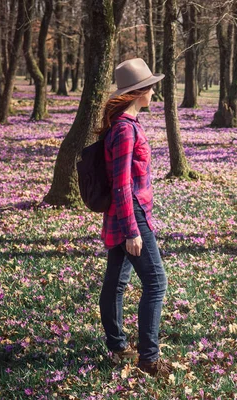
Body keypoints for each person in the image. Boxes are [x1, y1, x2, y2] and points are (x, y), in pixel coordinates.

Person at [97, 58, 172, 378]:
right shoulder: (125, 130)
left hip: (123, 216)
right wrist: (132, 230)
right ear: (139, 92)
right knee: (156, 284)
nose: (154, 91)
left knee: (115, 282)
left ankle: (116, 347)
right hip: (132, 218)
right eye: (150, 86)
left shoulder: (123, 126)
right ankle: (149, 360)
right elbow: (122, 184)